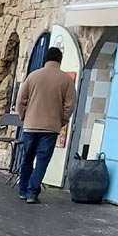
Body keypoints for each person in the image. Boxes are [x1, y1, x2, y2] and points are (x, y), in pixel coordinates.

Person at [16, 47, 77, 204]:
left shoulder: (33, 76)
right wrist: (62, 120)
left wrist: (24, 116)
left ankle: (22, 190)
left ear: (45, 59)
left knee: (27, 158)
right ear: (60, 60)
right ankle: (32, 192)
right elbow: (69, 105)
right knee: (42, 160)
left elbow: (20, 100)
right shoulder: (66, 80)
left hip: (30, 125)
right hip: (50, 127)